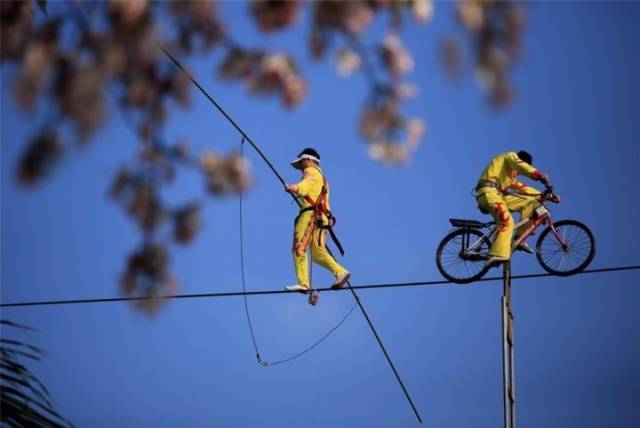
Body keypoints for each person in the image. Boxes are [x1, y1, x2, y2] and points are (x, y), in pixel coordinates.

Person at [283, 148, 351, 293]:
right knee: (317, 253)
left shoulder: (310, 171)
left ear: (308, 160)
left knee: (299, 248)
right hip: (322, 218)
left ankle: (303, 283)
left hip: (310, 216)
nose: (301, 167)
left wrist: (294, 188)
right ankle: (340, 272)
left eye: (301, 163)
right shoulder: (324, 179)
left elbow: (306, 185)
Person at [475, 150, 558, 267]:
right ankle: (496, 254)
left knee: (531, 202)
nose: (518, 173)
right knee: (507, 222)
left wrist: (548, 196)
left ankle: (519, 239)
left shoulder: (510, 177)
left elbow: (524, 188)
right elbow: (519, 165)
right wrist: (538, 175)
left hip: (497, 196)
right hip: (489, 193)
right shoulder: (511, 156)